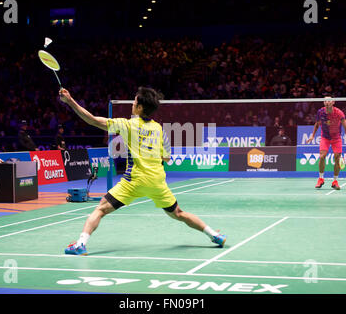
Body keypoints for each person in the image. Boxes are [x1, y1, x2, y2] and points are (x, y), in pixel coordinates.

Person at [58, 86, 226, 255]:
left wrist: (70, 101)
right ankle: (214, 235)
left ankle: (80, 244)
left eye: (135, 100)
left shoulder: (127, 124)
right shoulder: (158, 128)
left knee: (101, 209)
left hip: (134, 181)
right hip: (157, 182)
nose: (133, 102)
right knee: (178, 213)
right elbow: (166, 158)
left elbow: (93, 120)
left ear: (139, 107)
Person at [306, 96, 346, 190]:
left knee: (337, 158)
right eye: (325, 101)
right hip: (325, 137)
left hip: (336, 138)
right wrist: (312, 136)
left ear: (333, 102)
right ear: (324, 103)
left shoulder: (339, 113)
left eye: (329, 101)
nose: (327, 102)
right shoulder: (320, 112)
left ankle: (335, 181)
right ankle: (321, 178)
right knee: (322, 156)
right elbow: (317, 124)